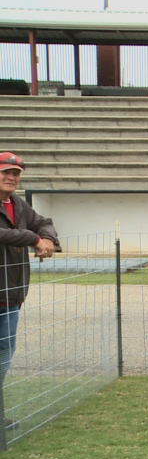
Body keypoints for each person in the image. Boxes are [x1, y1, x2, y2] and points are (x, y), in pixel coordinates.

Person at [0, 152, 59, 432]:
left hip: (11, 295)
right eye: (6, 173)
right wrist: (34, 238)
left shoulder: (19, 205)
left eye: (16, 174)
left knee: (4, 355)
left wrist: (46, 238)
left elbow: (43, 221)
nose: (12, 178)